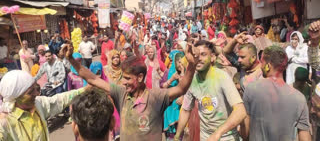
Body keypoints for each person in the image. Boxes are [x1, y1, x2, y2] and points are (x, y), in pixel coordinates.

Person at [62, 41, 198, 141]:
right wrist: (71, 59)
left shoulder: (157, 97)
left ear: (140, 77)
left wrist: (191, 64)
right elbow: (93, 79)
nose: (123, 82)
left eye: (127, 78)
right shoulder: (121, 94)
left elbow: (181, 88)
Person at [175, 40, 246, 141]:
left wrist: (217, 134)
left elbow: (241, 111)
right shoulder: (192, 80)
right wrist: (177, 136)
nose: (199, 59)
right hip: (205, 137)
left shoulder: (222, 77)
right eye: (196, 55)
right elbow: (186, 110)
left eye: (203, 54)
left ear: (213, 57)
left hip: (227, 137)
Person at [241, 45, 311, 141]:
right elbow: (305, 137)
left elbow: (245, 132)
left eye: (262, 62)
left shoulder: (251, 89)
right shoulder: (299, 98)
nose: (260, 66)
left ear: (268, 66)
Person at [0, 70, 85, 140]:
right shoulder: (4, 122)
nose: (36, 93)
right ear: (16, 97)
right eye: (30, 92)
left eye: (36, 88)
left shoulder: (37, 104)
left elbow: (59, 100)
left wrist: (85, 90)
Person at [160, 51, 186, 140]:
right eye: (177, 61)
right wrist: (171, 79)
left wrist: (183, 97)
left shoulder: (188, 73)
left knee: (181, 131)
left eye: (181, 61)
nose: (180, 64)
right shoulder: (168, 72)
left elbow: (190, 89)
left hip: (182, 106)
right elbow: (162, 87)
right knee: (170, 134)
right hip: (170, 106)